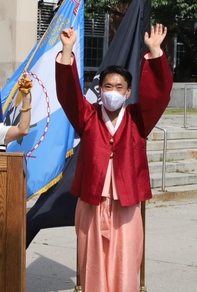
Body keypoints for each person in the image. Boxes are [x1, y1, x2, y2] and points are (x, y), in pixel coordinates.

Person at [56, 24, 173, 292]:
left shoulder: (138, 119)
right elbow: (68, 94)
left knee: (125, 259)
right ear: (100, 90)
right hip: (92, 201)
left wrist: (155, 52)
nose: (113, 91)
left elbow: (159, 94)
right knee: (92, 259)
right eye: (107, 86)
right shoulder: (87, 116)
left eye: (119, 87)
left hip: (127, 200)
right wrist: (66, 50)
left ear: (128, 92)